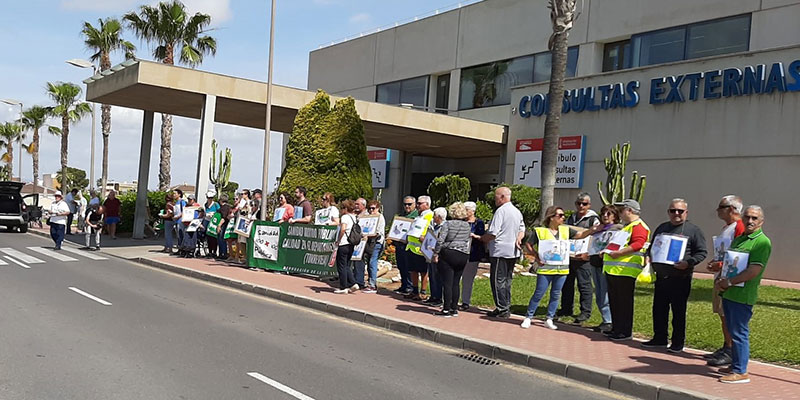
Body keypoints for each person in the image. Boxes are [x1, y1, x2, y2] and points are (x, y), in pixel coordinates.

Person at [714, 205, 771, 384]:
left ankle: (741, 371)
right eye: (747, 217)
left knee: (739, 333)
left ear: (761, 221)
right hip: (729, 293)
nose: (750, 221)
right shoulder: (740, 239)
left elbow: (754, 270)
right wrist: (721, 275)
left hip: (742, 295)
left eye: (754, 218)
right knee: (732, 331)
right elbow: (731, 263)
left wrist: (730, 282)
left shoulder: (762, 242)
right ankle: (735, 365)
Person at [642, 198, 707, 353]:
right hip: (661, 277)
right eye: (673, 210)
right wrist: (648, 256)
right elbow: (652, 247)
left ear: (686, 212)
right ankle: (660, 338)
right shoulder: (662, 228)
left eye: (680, 211)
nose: (676, 213)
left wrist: (688, 263)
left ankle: (677, 342)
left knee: (678, 312)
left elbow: (702, 252)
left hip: (681, 278)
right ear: (668, 212)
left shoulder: (694, 230)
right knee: (659, 309)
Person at [522, 206, 596, 330]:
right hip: (546, 268)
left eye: (563, 215)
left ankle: (549, 318)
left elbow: (580, 235)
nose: (563, 218)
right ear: (551, 217)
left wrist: (592, 230)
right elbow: (528, 244)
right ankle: (528, 317)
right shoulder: (540, 231)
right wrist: (536, 256)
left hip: (562, 269)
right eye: (560, 215)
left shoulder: (565, 230)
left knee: (556, 294)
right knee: (539, 293)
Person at [704, 195, 745, 367]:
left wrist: (720, 265)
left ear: (732, 209)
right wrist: (716, 263)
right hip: (720, 276)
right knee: (722, 314)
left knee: (727, 315)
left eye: (721, 207)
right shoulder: (727, 228)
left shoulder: (739, 227)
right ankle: (726, 345)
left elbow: (739, 255)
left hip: (729, 279)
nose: (717, 210)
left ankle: (730, 350)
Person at [604, 199, 651, 341]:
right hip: (615, 269)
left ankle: (624, 331)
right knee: (615, 301)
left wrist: (619, 253)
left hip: (626, 270)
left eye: (621, 210)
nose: (619, 213)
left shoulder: (638, 226)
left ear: (629, 210)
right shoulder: (626, 227)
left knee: (624, 303)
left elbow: (638, 244)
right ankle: (616, 328)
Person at [480, 187, 525, 318]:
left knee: (497, 280)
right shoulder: (516, 211)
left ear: (502, 197)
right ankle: (505, 305)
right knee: (507, 280)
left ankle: (502, 308)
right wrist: (519, 238)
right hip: (512, 251)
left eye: (496, 197)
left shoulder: (501, 211)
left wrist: (482, 238)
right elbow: (522, 229)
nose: (495, 200)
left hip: (500, 250)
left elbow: (493, 233)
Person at [559, 192, 600, 324]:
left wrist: (588, 254)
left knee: (584, 285)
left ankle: (585, 312)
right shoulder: (571, 218)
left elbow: (597, 237)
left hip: (584, 258)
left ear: (589, 205)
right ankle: (566, 309)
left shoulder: (594, 219)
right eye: (579, 203)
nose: (581, 206)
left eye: (584, 204)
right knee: (567, 284)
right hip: (570, 257)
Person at [432, 202, 471, 317]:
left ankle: (446, 309)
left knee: (447, 282)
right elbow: (467, 239)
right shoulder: (467, 225)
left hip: (449, 253)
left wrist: (436, 253)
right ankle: (454, 308)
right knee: (456, 282)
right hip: (463, 254)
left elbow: (441, 240)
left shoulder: (448, 224)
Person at [588, 204, 622, 333]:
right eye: (603, 214)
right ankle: (605, 319)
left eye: (609, 214)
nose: (605, 216)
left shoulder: (618, 230)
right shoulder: (598, 230)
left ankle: (610, 321)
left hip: (607, 264)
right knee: (599, 293)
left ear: (615, 216)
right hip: (594, 262)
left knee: (606, 293)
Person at [405, 195, 433, 301]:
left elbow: (432, 231)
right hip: (412, 248)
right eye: (417, 203)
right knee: (413, 270)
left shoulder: (430, 215)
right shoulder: (419, 216)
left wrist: (425, 238)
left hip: (422, 249)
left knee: (423, 271)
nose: (418, 205)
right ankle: (415, 290)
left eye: (420, 203)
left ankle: (423, 292)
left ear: (427, 204)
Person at [459, 201, 486, 311]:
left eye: (466, 210)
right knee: (456, 278)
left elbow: (482, 237)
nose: (465, 212)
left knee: (468, 279)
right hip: (460, 252)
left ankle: (465, 301)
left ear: (472, 211)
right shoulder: (461, 222)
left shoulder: (478, 223)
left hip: (473, 253)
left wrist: (474, 236)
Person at [393, 196, 418, 295]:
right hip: (399, 243)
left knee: (408, 267)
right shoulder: (401, 215)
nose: (407, 206)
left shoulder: (416, 216)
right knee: (401, 265)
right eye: (405, 204)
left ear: (414, 204)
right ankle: (404, 285)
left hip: (409, 245)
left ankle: (409, 286)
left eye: (409, 204)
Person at [423, 206, 447, 307]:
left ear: (439, 217)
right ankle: (433, 296)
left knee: (438, 277)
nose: (433, 218)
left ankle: (438, 298)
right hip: (430, 253)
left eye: (434, 216)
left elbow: (442, 240)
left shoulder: (445, 226)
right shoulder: (433, 226)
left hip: (438, 255)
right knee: (432, 275)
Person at [334, 200, 359, 294]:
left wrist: (338, 240)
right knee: (347, 265)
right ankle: (353, 283)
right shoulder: (354, 217)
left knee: (341, 266)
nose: (341, 210)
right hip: (351, 244)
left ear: (345, 208)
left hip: (343, 243)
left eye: (342, 208)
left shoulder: (345, 217)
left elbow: (343, 229)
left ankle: (343, 287)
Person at [363, 200, 386, 294]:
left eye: (373, 208)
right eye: (369, 208)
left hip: (377, 242)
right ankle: (370, 282)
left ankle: (372, 285)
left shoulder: (380, 217)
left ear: (378, 208)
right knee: (369, 262)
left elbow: (378, 233)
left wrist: (367, 235)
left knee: (373, 262)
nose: (371, 210)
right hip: (369, 243)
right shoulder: (368, 217)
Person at [203, 190, 220, 258]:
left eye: (211, 198)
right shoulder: (206, 204)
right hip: (207, 221)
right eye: (208, 197)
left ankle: (214, 252)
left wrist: (213, 215)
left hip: (213, 222)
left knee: (214, 237)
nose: (209, 199)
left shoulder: (216, 204)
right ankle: (209, 251)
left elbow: (218, 213)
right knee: (208, 237)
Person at [216, 194, 232, 260]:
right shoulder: (228, 207)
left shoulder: (224, 207)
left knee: (221, 239)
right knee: (221, 239)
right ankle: (222, 253)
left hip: (223, 225)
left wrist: (219, 225)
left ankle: (223, 253)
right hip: (225, 224)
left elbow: (223, 217)